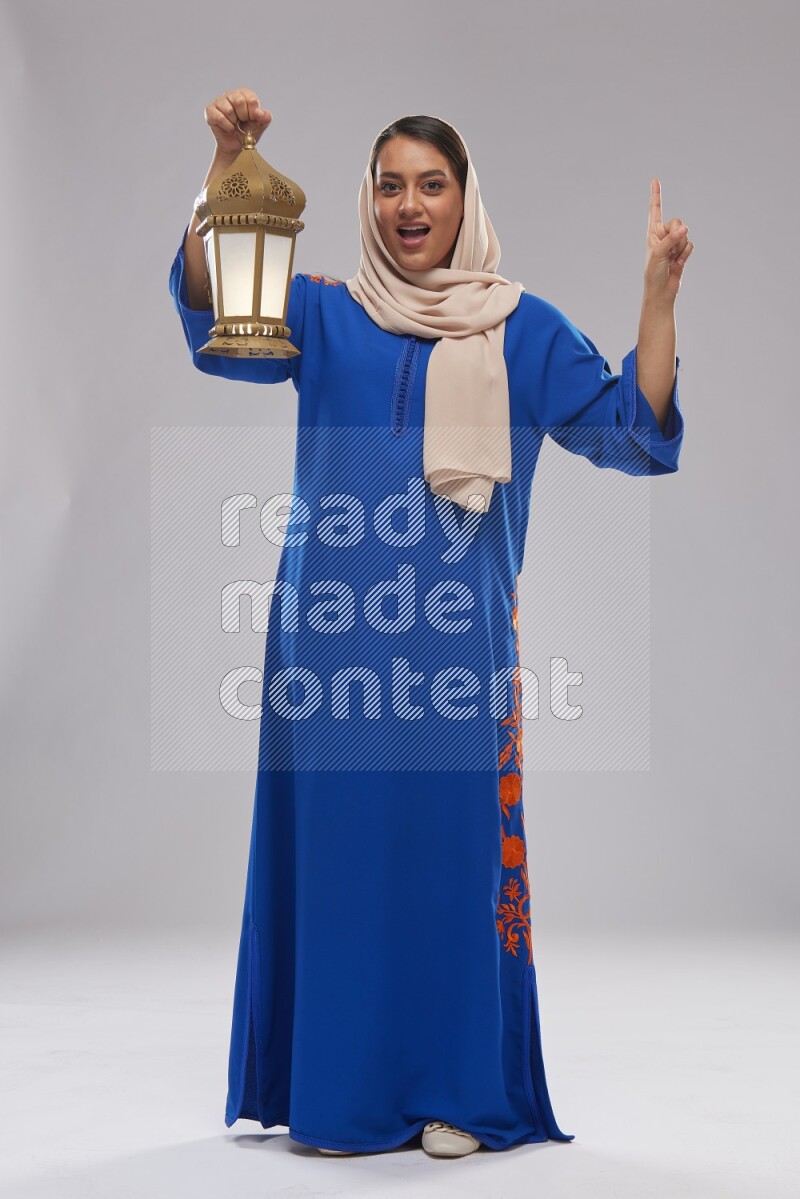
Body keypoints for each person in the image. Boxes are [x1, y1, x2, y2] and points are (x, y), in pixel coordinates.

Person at [168, 88, 691, 1158]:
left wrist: (656, 292)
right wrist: (226, 171)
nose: (410, 204)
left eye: (432, 184)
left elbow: (634, 434)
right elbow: (220, 325)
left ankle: (462, 1090)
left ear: (464, 199)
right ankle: (337, 1086)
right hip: (327, 645)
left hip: (454, 648)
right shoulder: (321, 310)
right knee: (344, 856)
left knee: (452, 859)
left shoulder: (521, 326)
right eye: (391, 184)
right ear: (369, 199)